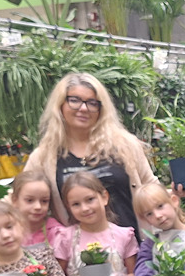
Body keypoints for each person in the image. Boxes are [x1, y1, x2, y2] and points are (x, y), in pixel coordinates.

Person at [22, 72, 156, 235]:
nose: (83, 108)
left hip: (133, 251)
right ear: (60, 105)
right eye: (74, 100)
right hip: (76, 255)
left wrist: (175, 197)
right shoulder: (44, 156)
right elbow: (22, 194)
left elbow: (150, 186)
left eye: (92, 103)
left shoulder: (125, 145)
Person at [9, 170, 64, 249]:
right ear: (15, 200)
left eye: (44, 201)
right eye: (30, 200)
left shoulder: (57, 233)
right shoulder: (7, 231)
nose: (38, 206)